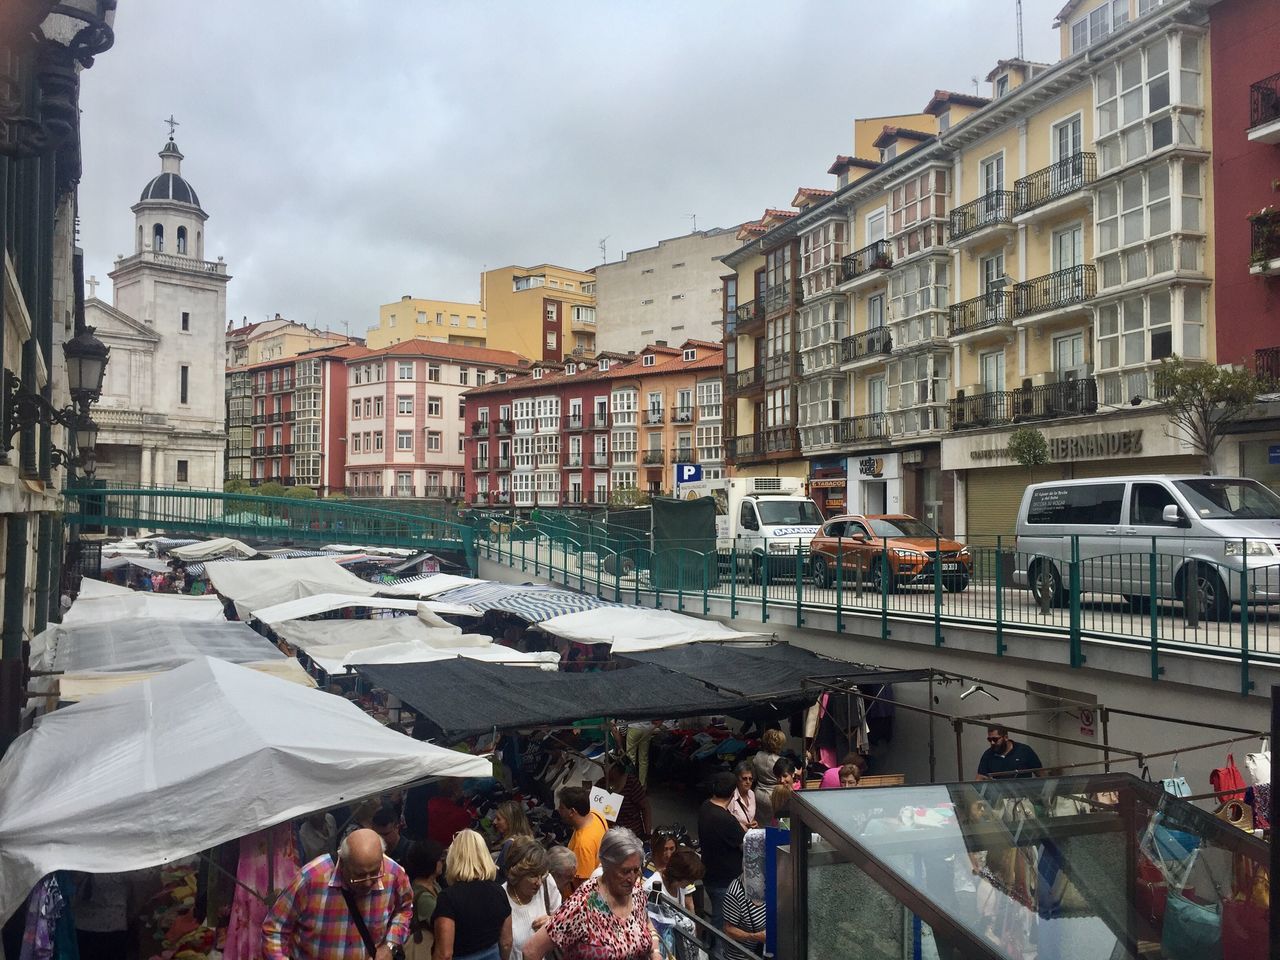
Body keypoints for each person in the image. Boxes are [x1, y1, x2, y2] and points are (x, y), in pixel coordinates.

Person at [262, 828, 413, 960]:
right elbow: (274, 928)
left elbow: (405, 911)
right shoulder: (311, 878)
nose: (367, 883)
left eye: (374, 874)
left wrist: (390, 946)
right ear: (343, 862)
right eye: (359, 875)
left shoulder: (394, 874)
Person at [521, 827, 661, 960]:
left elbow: (646, 922)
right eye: (625, 871)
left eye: (636, 870)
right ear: (607, 866)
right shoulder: (581, 905)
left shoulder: (635, 891)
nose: (632, 878)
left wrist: (655, 953)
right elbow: (531, 950)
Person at [430, 829, 512, 960]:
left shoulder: (448, 898)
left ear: (453, 858)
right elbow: (506, 942)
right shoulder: (499, 891)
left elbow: (444, 954)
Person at [697, 772, 744, 940]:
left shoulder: (705, 807)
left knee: (719, 918)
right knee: (721, 924)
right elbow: (744, 844)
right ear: (733, 793)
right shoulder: (726, 820)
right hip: (725, 881)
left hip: (710, 874)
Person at [502, 836, 560, 960]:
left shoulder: (547, 883)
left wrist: (553, 921)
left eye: (541, 875)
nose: (539, 882)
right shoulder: (500, 897)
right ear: (517, 873)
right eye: (533, 876)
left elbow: (565, 922)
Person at [643, 848, 704, 958]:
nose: (691, 883)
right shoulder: (653, 887)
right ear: (679, 874)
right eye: (690, 879)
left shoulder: (679, 885)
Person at [559, 785, 608, 889]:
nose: (559, 810)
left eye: (562, 808)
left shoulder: (582, 845)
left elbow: (582, 886)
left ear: (572, 811)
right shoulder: (596, 815)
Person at [404, 839, 444, 960]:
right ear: (430, 863)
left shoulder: (434, 885)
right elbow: (441, 923)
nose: (442, 862)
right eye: (439, 859)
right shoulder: (424, 898)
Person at [601, 757, 652, 838]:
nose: (604, 768)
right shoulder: (601, 784)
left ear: (616, 768)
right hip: (611, 837)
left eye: (607, 766)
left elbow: (645, 808)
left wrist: (648, 835)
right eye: (603, 765)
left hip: (633, 835)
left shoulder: (631, 783)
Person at [721, 871, 767, 957]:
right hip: (741, 955)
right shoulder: (735, 893)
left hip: (763, 951)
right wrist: (754, 936)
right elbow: (729, 930)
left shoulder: (767, 881)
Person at [977, 725, 1043, 780]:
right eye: (989, 739)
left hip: (1023, 793)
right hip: (1000, 793)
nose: (992, 743)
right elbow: (980, 778)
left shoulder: (1024, 750)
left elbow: (1041, 774)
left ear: (1005, 737)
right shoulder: (988, 754)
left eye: (995, 739)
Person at [491, 800, 533, 877]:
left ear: (510, 821)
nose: (494, 822)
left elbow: (500, 876)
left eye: (498, 819)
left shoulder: (510, 845)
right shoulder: (528, 842)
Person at [427, 779, 473, 846]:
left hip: (433, 848)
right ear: (455, 791)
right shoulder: (462, 815)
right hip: (454, 849)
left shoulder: (431, 803)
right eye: (461, 786)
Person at [625, 719, 663, 785]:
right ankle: (642, 785)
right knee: (643, 759)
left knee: (630, 757)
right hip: (646, 729)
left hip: (634, 727)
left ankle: (630, 783)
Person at [728, 762, 757, 829]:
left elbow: (751, 818)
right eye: (744, 778)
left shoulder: (752, 794)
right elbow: (728, 823)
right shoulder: (731, 798)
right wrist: (742, 826)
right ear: (737, 779)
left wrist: (753, 823)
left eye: (750, 779)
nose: (748, 782)